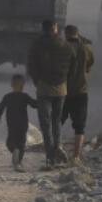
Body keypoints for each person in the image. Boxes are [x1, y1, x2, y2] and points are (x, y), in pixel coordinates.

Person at [25, 18, 72, 168]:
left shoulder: (37, 44)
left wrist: (37, 81)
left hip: (44, 88)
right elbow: (70, 64)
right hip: (61, 89)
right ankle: (58, 146)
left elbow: (31, 65)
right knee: (56, 120)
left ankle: (50, 156)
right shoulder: (64, 44)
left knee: (45, 124)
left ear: (43, 29)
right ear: (55, 28)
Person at [61, 24, 94, 165]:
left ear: (66, 34)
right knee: (79, 126)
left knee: (57, 122)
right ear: (77, 34)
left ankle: (55, 151)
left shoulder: (62, 48)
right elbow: (89, 68)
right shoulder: (86, 48)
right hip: (81, 92)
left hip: (63, 92)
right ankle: (76, 156)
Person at [0, 73, 38, 171]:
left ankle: (14, 150)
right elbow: (34, 104)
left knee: (10, 141)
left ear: (12, 85)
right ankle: (18, 162)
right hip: (23, 123)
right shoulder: (25, 96)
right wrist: (41, 100)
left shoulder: (7, 97)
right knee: (21, 142)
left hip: (12, 123)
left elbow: (0, 107)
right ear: (22, 86)